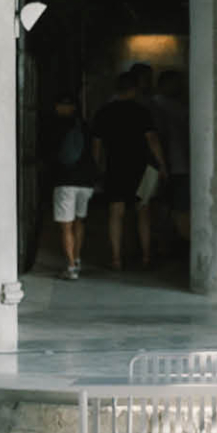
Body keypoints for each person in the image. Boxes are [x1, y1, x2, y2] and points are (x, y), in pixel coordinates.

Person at [92, 69, 166, 270]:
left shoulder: (104, 112)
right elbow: (152, 140)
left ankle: (116, 258)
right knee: (143, 211)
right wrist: (162, 165)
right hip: (140, 167)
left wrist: (96, 167)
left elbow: (96, 145)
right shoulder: (141, 111)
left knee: (116, 213)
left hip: (114, 167)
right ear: (134, 89)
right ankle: (146, 256)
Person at [42, 90, 100, 278]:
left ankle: (71, 266)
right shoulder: (85, 126)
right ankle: (78, 258)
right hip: (86, 181)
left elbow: (48, 154)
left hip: (65, 181)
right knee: (79, 222)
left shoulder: (53, 126)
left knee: (66, 226)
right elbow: (96, 150)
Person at [150, 68, 192, 246]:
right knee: (176, 205)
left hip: (174, 163)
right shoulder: (162, 104)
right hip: (173, 163)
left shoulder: (164, 104)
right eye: (175, 83)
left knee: (166, 205)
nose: (179, 86)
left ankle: (169, 240)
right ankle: (178, 240)